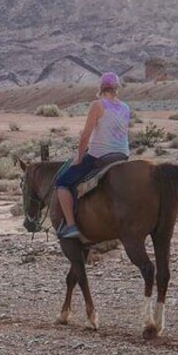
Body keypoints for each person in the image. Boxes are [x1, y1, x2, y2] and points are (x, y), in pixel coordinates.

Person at [55, 72, 131, 240]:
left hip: (100, 155)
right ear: (117, 88)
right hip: (122, 155)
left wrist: (79, 157)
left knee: (62, 183)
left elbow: (85, 135)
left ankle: (71, 225)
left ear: (101, 87)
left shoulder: (97, 105)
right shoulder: (125, 107)